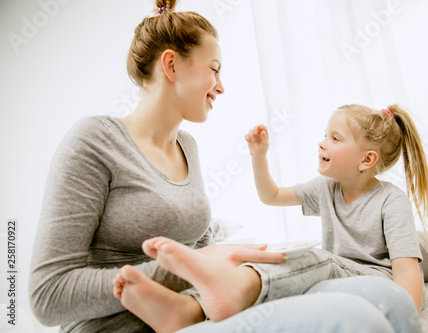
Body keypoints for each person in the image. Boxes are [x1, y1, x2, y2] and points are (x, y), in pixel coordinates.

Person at [28, 1, 287, 332]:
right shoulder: (94, 141)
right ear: (171, 65)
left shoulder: (187, 146)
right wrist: (190, 267)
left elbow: (197, 244)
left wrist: (221, 256)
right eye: (214, 68)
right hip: (120, 327)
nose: (221, 86)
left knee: (312, 267)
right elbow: (48, 296)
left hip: (197, 316)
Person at [112, 103, 428, 332]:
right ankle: (190, 309)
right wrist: (259, 157)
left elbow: (407, 272)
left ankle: (225, 293)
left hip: (371, 280)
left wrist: (408, 315)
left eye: (335, 138)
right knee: (287, 258)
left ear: (367, 159)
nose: (322, 142)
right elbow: (272, 196)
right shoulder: (326, 188)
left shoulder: (391, 201)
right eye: (325, 134)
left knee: (318, 258)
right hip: (334, 275)